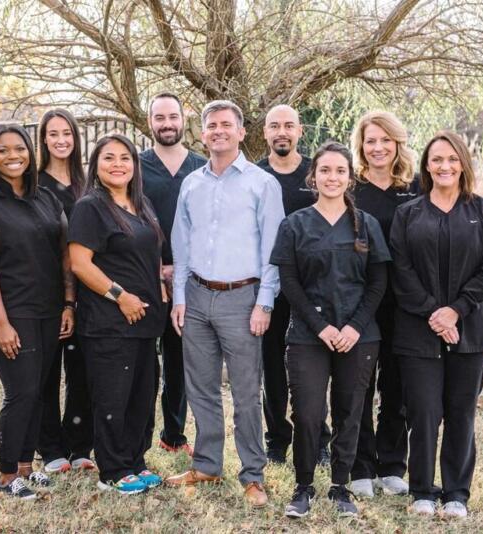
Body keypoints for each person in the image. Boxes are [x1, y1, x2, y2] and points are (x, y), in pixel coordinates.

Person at [164, 100, 284, 508]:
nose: (218, 131)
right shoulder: (191, 184)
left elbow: (273, 248)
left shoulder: (262, 183)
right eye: (211, 125)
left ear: (240, 132)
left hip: (242, 297)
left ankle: (253, 475)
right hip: (197, 295)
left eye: (226, 125)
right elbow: (181, 244)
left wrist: (264, 303)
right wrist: (180, 297)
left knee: (247, 393)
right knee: (201, 388)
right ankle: (207, 465)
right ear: (202, 133)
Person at [271, 141, 391, 518]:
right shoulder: (294, 224)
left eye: (340, 171)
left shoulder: (366, 225)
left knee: (349, 411)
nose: (332, 177)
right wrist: (321, 326)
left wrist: (354, 326)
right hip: (308, 334)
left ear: (350, 178)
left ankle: (340, 486)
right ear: (314, 176)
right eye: (325, 170)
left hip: (359, 336)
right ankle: (303, 486)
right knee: (307, 413)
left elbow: (378, 283)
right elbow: (289, 283)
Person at [390, 130, 483, 518]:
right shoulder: (408, 214)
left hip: (471, 330)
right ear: (426, 165)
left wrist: (455, 310)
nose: (445, 166)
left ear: (463, 164)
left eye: (452, 159)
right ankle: (422, 490)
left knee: (460, 413)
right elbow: (401, 271)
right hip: (417, 332)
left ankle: (456, 493)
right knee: (422, 414)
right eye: (437, 159)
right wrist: (435, 315)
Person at [0, 122, 75, 500]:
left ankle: (27, 467)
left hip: (48, 309)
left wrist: (68, 303)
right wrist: (2, 324)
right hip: (9, 312)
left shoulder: (46, 198)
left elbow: (63, 255)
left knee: (40, 390)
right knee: (21, 391)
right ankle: (7, 474)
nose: (13, 156)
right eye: (3, 150)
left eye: (19, 148)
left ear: (30, 151)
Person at [68, 134, 167, 495]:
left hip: (145, 322)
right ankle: (112, 470)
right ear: (95, 165)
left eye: (125, 157)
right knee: (113, 397)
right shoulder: (90, 207)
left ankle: (135, 461)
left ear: (135, 165)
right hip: (109, 323)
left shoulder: (142, 204)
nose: (118, 164)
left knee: (141, 396)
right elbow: (80, 264)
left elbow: (149, 254)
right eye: (108, 157)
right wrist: (120, 296)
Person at [256, 104, 331, 466]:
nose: (281, 132)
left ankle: (318, 439)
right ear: (265, 132)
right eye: (274, 126)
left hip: (311, 287)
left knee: (313, 367)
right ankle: (276, 439)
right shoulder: (254, 176)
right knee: (271, 366)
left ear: (300, 130)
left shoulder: (316, 174)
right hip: (268, 286)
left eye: (288, 125)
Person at [349, 111, 419, 498]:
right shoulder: (350, 187)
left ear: (397, 143)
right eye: (370, 140)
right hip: (360, 302)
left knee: (398, 385)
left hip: (405, 303)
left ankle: (392, 465)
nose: (378, 148)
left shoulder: (416, 186)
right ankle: (360, 466)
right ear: (361, 146)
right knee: (358, 384)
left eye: (385, 140)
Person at [140, 92, 206, 457]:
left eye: (172, 117)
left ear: (183, 119)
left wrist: (182, 267)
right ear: (149, 122)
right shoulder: (135, 166)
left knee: (179, 361)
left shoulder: (202, 167)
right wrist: (155, 267)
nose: (167, 124)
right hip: (142, 277)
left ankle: (174, 435)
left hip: (190, 278)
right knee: (143, 363)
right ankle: (137, 436)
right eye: (159, 117)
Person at [35, 108, 95, 474]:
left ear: (76, 137)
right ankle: (51, 448)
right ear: (43, 139)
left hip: (87, 289)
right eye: (53, 133)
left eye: (67, 133)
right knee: (46, 372)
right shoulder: (34, 184)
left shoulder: (87, 183)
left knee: (82, 370)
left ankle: (80, 445)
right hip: (46, 289)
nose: (61, 140)